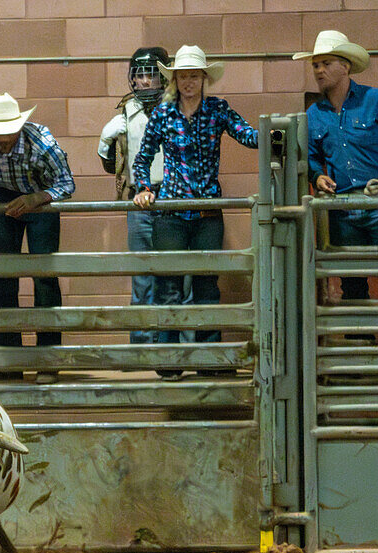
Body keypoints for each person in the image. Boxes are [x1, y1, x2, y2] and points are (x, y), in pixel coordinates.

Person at [132, 45, 258, 379]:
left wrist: (276, 136)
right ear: (175, 79)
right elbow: (142, 158)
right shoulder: (162, 113)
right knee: (169, 287)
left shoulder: (218, 110)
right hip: (171, 212)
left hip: (207, 213)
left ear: (203, 78)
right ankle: (170, 360)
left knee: (206, 287)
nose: (189, 82)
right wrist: (143, 187)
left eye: (194, 76)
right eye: (183, 76)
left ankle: (209, 360)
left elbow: (246, 135)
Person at [0, 92, 75, 384]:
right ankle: (8, 359)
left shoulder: (42, 141)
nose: (3, 139)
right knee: (2, 274)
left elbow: (66, 183)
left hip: (42, 199)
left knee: (44, 276)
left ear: (20, 126)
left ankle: (47, 359)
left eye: (9, 133)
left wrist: (38, 198)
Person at [296, 30, 378, 324]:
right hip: (342, 208)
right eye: (315, 65)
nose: (319, 70)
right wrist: (318, 175)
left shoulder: (376, 100)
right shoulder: (314, 114)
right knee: (352, 282)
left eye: (325, 63)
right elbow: (309, 156)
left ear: (345, 66)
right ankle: (360, 345)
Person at [98, 47, 173, 345]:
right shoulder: (127, 111)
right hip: (139, 198)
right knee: (142, 273)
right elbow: (110, 165)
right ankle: (142, 341)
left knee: (175, 272)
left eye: (151, 74)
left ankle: (174, 339)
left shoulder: (176, 108)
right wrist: (106, 141)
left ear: (163, 77)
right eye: (139, 75)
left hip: (172, 198)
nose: (144, 81)